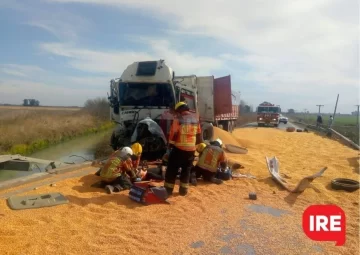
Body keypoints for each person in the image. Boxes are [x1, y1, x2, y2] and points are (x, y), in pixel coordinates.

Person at [164, 101, 202, 196]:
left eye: (177, 111)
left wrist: (170, 147)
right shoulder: (195, 119)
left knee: (172, 169)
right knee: (186, 170)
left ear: (180, 110)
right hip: (191, 150)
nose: (176, 113)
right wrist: (194, 146)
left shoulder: (178, 119)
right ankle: (183, 191)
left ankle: (168, 190)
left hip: (179, 149)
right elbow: (199, 135)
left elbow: (174, 134)